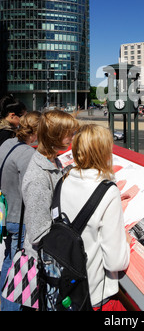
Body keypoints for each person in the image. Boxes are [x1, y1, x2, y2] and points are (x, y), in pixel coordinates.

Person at [60, 124, 130, 311]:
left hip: (65, 285)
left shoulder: (64, 179)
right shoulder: (108, 191)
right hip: (94, 294)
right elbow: (115, 261)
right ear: (104, 152)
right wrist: (128, 242)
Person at [21, 110, 79, 283]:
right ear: (55, 136)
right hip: (43, 269)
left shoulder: (52, 161)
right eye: (69, 134)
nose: (73, 137)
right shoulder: (38, 177)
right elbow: (38, 234)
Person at [0, 111, 41, 311]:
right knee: (17, 266)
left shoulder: (7, 144)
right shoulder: (28, 154)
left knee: (9, 258)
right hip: (19, 216)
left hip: (6, 213)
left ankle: (3, 300)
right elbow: (31, 188)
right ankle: (10, 306)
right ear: (35, 131)